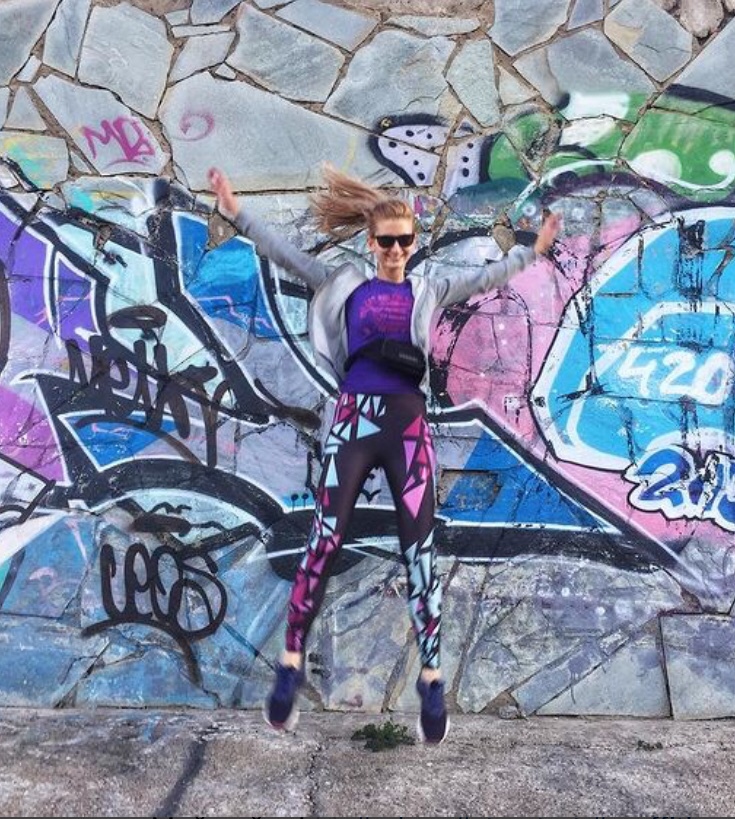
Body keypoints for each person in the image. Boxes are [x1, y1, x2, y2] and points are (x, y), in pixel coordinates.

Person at [208, 164, 561, 744]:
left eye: (405, 241)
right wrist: (236, 210)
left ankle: (431, 678)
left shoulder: (428, 289)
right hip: (353, 424)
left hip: (406, 430)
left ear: (413, 243)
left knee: (420, 550)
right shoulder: (345, 284)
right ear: (371, 244)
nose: (397, 251)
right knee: (324, 540)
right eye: (387, 242)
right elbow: (284, 254)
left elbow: (486, 277)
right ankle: (290, 664)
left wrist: (533, 250)